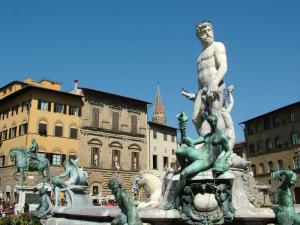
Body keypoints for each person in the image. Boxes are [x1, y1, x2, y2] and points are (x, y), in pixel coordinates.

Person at [164, 113, 231, 209]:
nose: (212, 123)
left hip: (207, 160)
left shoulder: (222, 136)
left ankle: (172, 201)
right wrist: (183, 130)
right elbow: (191, 143)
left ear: (216, 122)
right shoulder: (207, 136)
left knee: (184, 174)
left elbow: (228, 150)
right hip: (200, 153)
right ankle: (183, 166)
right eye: (210, 122)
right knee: (179, 151)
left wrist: (222, 159)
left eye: (213, 121)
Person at [181, 21, 228, 136]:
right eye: (204, 32)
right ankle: (206, 144)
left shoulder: (217, 46)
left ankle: (221, 146)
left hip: (215, 85)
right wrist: (195, 95)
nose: (208, 34)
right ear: (199, 37)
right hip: (202, 90)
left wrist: (214, 83)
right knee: (195, 118)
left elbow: (223, 66)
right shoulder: (199, 56)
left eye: (209, 30)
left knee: (215, 115)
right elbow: (201, 77)